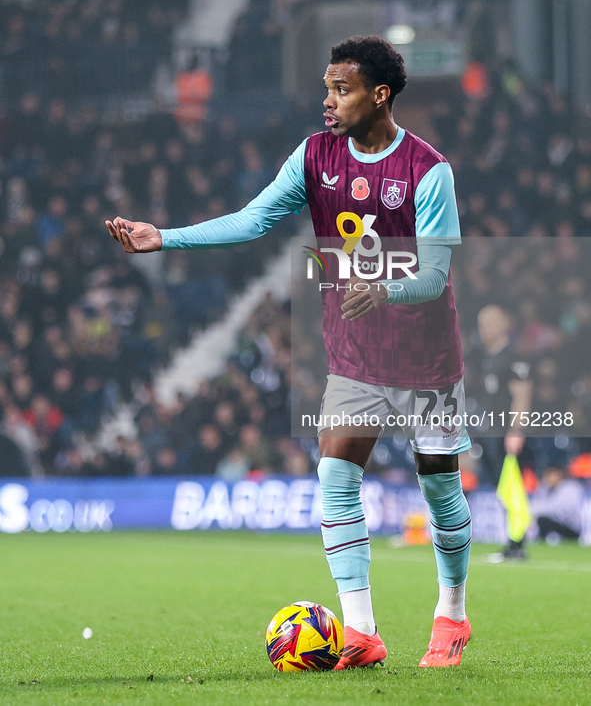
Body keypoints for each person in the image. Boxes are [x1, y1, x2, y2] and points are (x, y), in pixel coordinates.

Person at [107, 35, 472, 669]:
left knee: (439, 487)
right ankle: (361, 631)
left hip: (425, 354)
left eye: (342, 89)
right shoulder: (313, 156)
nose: (327, 101)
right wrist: (161, 238)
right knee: (334, 479)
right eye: (327, 88)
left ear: (379, 95)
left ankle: (452, 614)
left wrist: (382, 285)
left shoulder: (427, 170)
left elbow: (437, 275)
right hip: (356, 352)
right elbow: (252, 220)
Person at [467, 304, 533, 560]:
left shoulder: (513, 358)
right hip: (489, 432)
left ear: (506, 323)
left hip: (505, 433)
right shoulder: (486, 358)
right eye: (482, 323)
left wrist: (516, 429)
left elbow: (522, 394)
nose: (485, 329)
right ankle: (513, 542)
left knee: (511, 486)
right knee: (502, 487)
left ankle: (517, 543)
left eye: (491, 323)